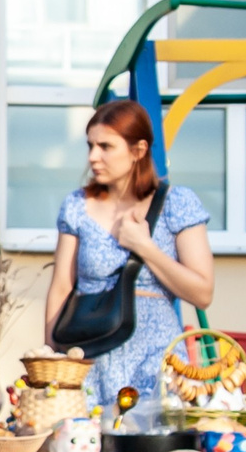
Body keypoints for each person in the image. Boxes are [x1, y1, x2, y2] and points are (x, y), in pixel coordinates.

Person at [44, 100, 215, 407]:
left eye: (106, 146)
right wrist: (51, 365)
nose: (93, 157)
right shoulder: (76, 206)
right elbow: (61, 287)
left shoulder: (177, 203)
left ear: (138, 150)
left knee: (152, 449)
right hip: (89, 358)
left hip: (155, 361)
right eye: (90, 146)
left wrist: (144, 247)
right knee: (82, 447)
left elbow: (202, 293)